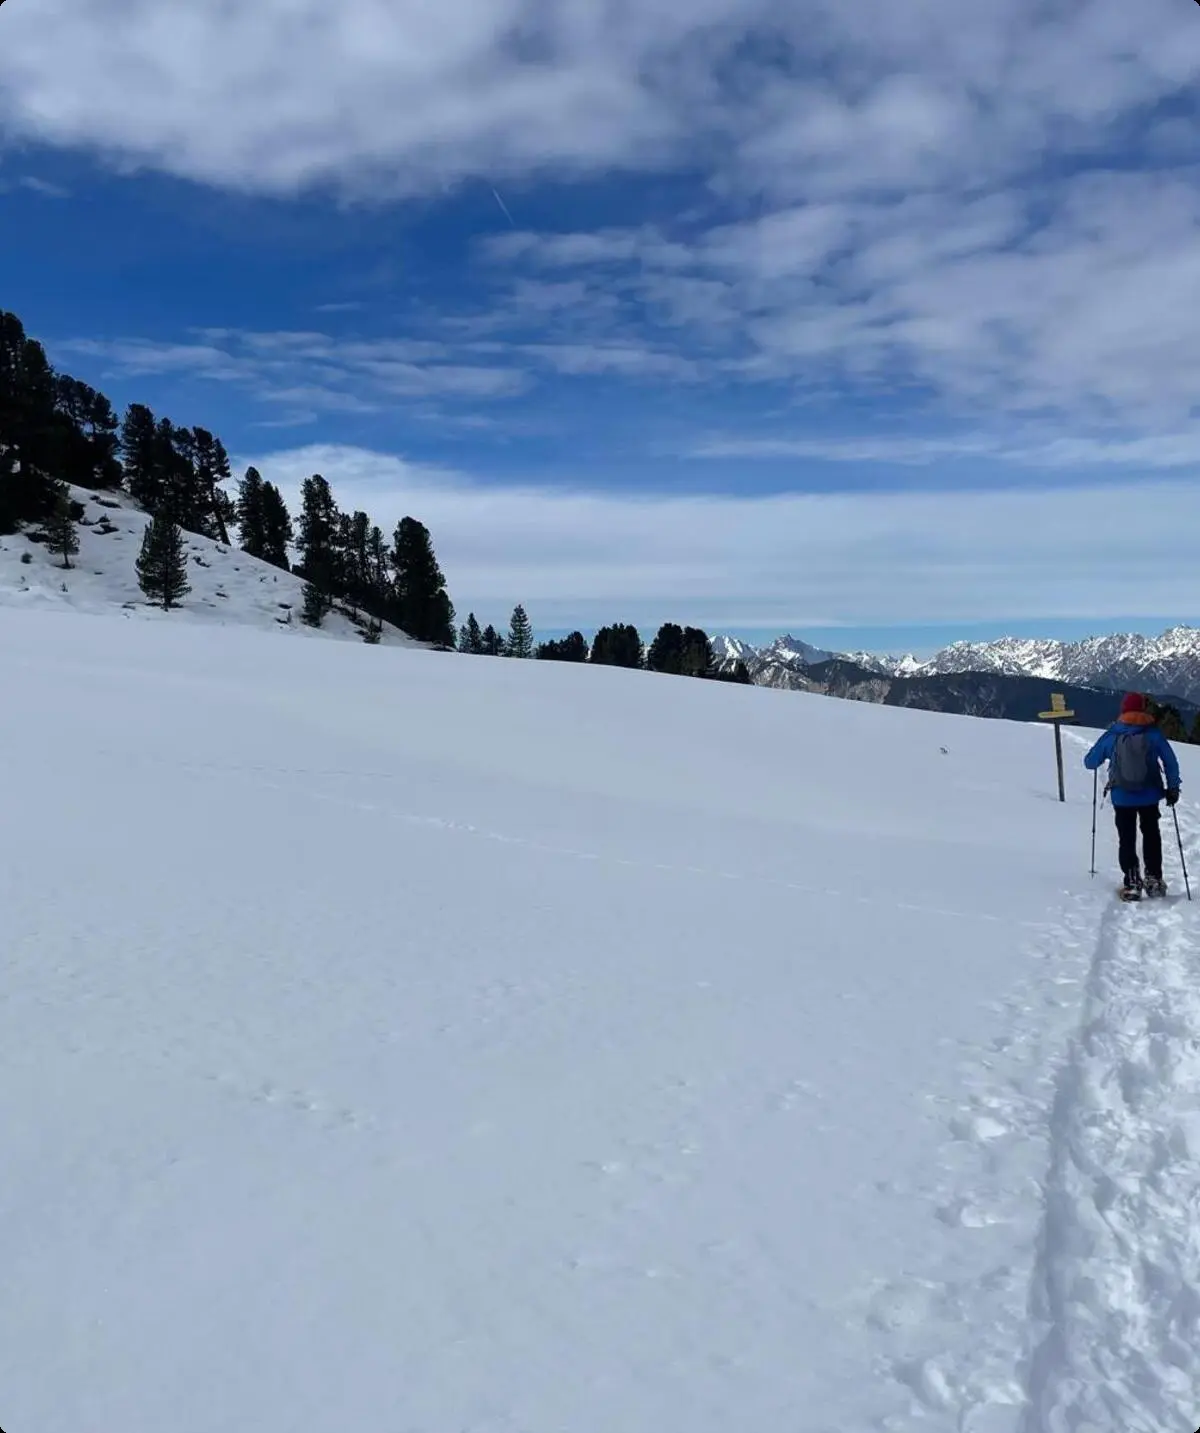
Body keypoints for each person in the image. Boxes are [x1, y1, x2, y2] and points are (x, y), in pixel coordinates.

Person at [1084, 692, 1181, 898]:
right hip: (1150, 795)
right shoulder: (1153, 734)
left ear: (1123, 709)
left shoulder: (1113, 734)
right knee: (1151, 834)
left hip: (1122, 796)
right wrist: (1173, 787)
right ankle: (1154, 879)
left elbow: (1090, 762)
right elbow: (1170, 762)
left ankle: (1132, 884)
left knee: (1126, 839)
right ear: (1143, 709)